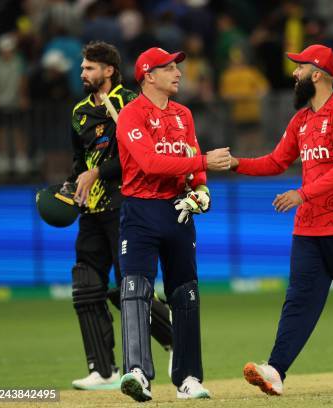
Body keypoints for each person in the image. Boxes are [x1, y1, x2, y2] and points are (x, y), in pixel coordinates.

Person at [229, 44, 333, 395]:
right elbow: (275, 162)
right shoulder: (301, 120)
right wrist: (235, 163)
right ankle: (276, 370)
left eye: (299, 67)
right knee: (299, 299)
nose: (294, 73)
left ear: (317, 74)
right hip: (308, 228)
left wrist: (303, 193)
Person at [115, 46, 231, 402]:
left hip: (178, 211)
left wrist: (201, 190)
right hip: (140, 211)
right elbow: (149, 163)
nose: (178, 72)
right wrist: (204, 162)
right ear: (149, 75)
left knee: (186, 293)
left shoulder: (184, 114)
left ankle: (189, 378)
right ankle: (137, 372)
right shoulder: (131, 116)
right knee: (135, 289)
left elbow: (191, 163)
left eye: (177, 67)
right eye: (169, 68)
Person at [66, 41, 174, 391]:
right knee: (85, 286)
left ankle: (177, 338)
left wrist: (97, 174)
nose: (82, 73)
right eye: (82, 68)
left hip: (127, 205)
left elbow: (137, 155)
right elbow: (79, 162)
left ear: (108, 70)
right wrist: (68, 188)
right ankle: (103, 368)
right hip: (92, 210)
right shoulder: (80, 112)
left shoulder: (132, 103)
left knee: (129, 287)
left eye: (88, 68)